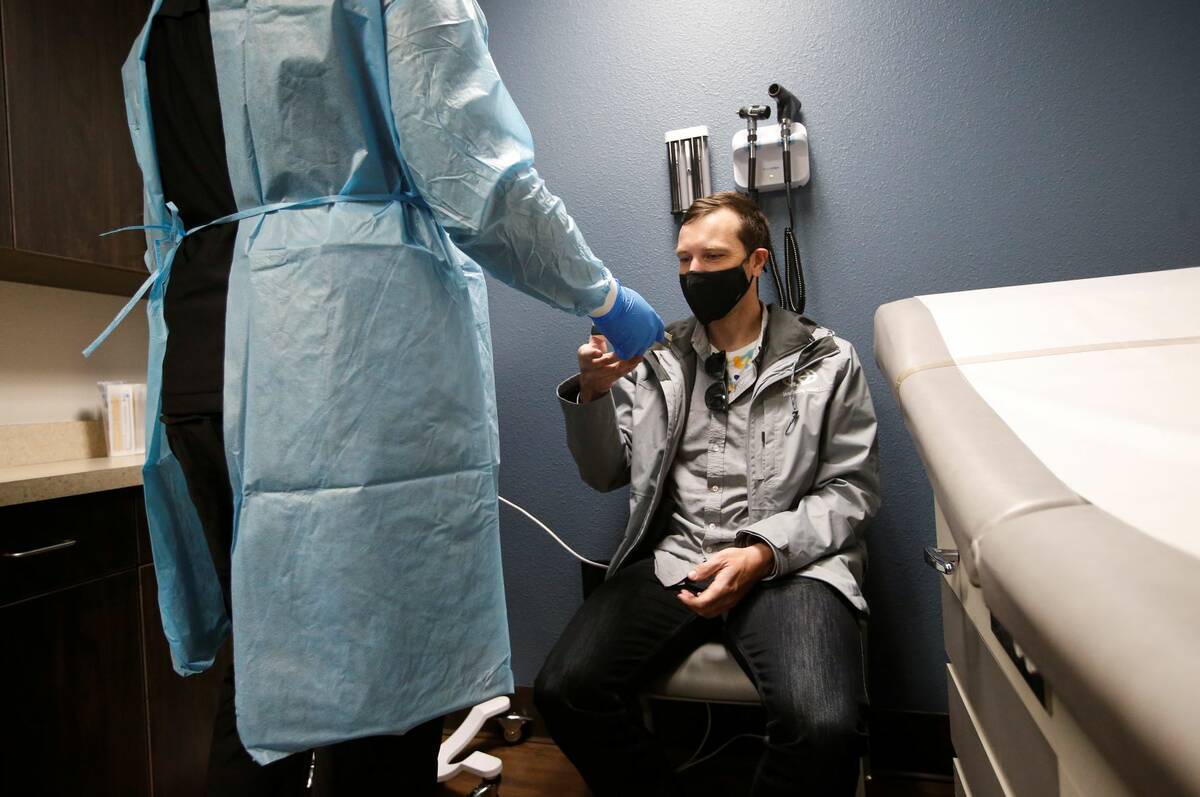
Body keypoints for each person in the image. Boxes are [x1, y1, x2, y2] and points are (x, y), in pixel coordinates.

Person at [121, 0, 664, 793]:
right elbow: (470, 167)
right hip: (339, 362)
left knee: (264, 684)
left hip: (203, 355)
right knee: (389, 694)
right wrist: (600, 290)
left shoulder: (162, 16)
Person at [535, 191, 880, 796]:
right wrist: (593, 391)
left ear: (756, 263)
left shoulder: (827, 361)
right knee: (564, 692)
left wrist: (762, 552)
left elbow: (851, 490)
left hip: (788, 566)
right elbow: (605, 474)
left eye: (712, 257)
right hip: (678, 559)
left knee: (824, 728)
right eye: (684, 259)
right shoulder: (657, 359)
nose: (694, 273)